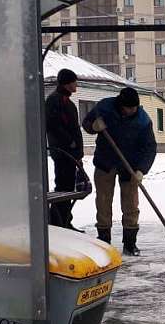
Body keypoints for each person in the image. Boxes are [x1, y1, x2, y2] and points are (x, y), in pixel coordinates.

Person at [82, 87, 157, 255]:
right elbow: (87, 122)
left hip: (130, 166)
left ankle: (130, 243)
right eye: (128, 108)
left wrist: (141, 170)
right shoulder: (105, 107)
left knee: (131, 204)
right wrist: (93, 126)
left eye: (134, 108)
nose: (131, 111)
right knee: (103, 201)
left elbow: (150, 147)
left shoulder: (143, 120)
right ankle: (104, 241)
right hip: (105, 162)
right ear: (121, 104)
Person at [45, 69, 84, 231]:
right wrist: (70, 143)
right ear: (67, 83)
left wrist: (78, 152)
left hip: (69, 152)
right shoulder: (56, 101)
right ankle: (58, 222)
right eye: (74, 81)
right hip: (63, 152)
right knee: (63, 187)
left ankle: (63, 220)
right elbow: (54, 125)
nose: (76, 84)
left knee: (67, 187)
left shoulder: (66, 101)